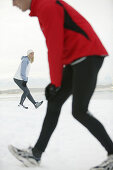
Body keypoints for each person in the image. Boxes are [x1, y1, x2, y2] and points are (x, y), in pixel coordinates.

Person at [9, 0, 113, 169]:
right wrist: (55, 83)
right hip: (76, 60)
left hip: (87, 55)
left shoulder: (46, 5)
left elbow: (54, 45)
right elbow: (58, 44)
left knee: (79, 111)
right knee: (55, 102)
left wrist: (55, 82)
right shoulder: (43, 6)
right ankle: (36, 154)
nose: (13, 4)